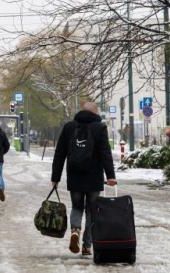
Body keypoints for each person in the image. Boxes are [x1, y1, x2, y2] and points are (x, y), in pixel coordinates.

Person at [51, 102, 117, 256]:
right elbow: (105, 153)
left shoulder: (69, 127)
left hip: (75, 177)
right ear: (95, 113)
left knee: (77, 207)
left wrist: (56, 177)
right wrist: (111, 176)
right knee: (92, 211)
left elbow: (60, 153)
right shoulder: (99, 128)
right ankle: (87, 245)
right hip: (94, 177)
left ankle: (75, 230)